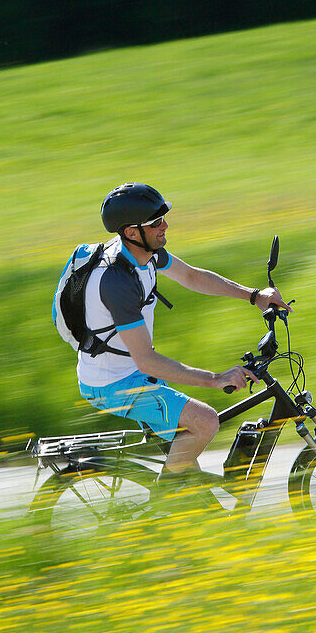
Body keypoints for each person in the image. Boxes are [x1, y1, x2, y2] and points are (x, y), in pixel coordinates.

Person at [71, 182, 291, 495]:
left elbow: (191, 276)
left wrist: (253, 295)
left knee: (190, 474)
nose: (165, 225)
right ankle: (163, 506)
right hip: (112, 384)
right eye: (155, 222)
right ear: (132, 232)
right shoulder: (118, 283)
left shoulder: (145, 254)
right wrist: (216, 379)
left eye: (163, 218)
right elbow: (147, 360)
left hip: (131, 372)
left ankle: (183, 503)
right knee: (205, 421)